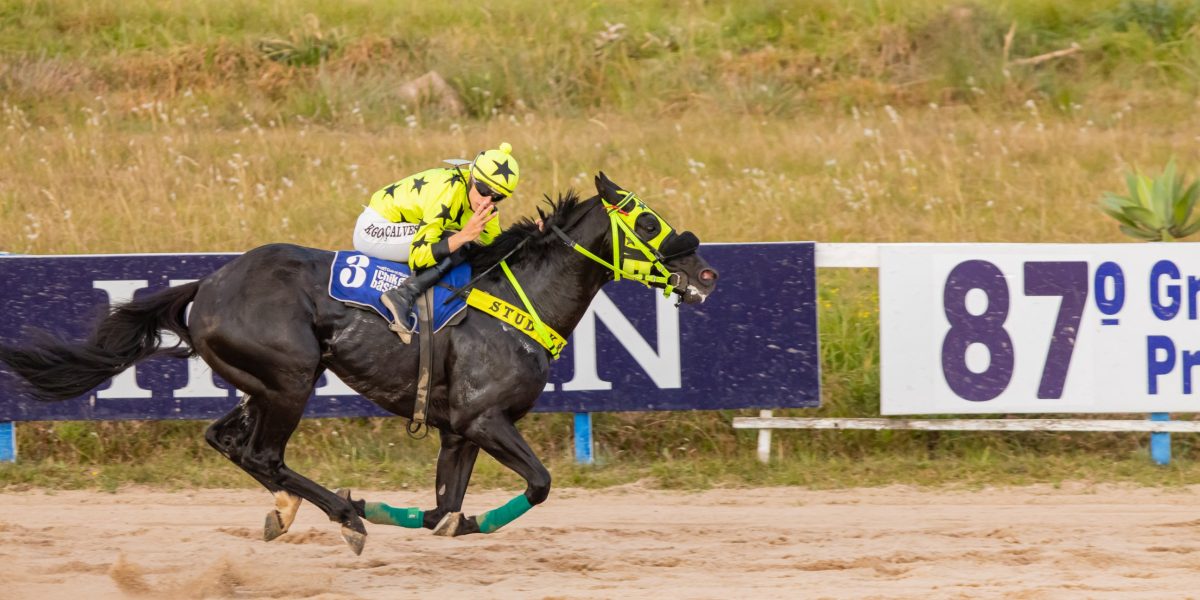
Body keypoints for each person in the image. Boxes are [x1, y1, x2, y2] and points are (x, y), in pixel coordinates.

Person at [352, 142, 520, 329]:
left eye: (497, 197)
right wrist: (464, 235)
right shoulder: (447, 194)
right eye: (483, 190)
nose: (486, 201)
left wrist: (535, 237)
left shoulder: (487, 209)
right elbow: (419, 257)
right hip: (374, 229)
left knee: (465, 245)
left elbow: (500, 252)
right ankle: (402, 295)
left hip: (403, 227)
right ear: (472, 177)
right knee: (457, 241)